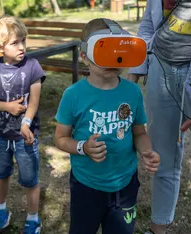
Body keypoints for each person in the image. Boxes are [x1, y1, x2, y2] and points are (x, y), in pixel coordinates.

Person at [54, 18, 161, 234]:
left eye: (118, 51)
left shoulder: (132, 92)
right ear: (84, 56)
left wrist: (147, 151)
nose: (114, 60)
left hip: (125, 185)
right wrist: (83, 147)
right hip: (86, 186)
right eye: (105, 51)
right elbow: (60, 138)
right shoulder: (73, 95)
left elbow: (139, 132)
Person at [127, 1, 191, 233]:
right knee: (163, 159)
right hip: (160, 69)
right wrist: (131, 81)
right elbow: (147, 28)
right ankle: (157, 230)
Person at [0, 15, 45, 233]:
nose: (21, 47)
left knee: (29, 179)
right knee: (1, 174)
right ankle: (1, 209)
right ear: (0, 47)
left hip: (24, 135)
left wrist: (25, 123)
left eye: (23, 41)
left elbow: (34, 102)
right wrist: (7, 106)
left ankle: (33, 218)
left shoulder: (33, 66)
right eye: (15, 43)